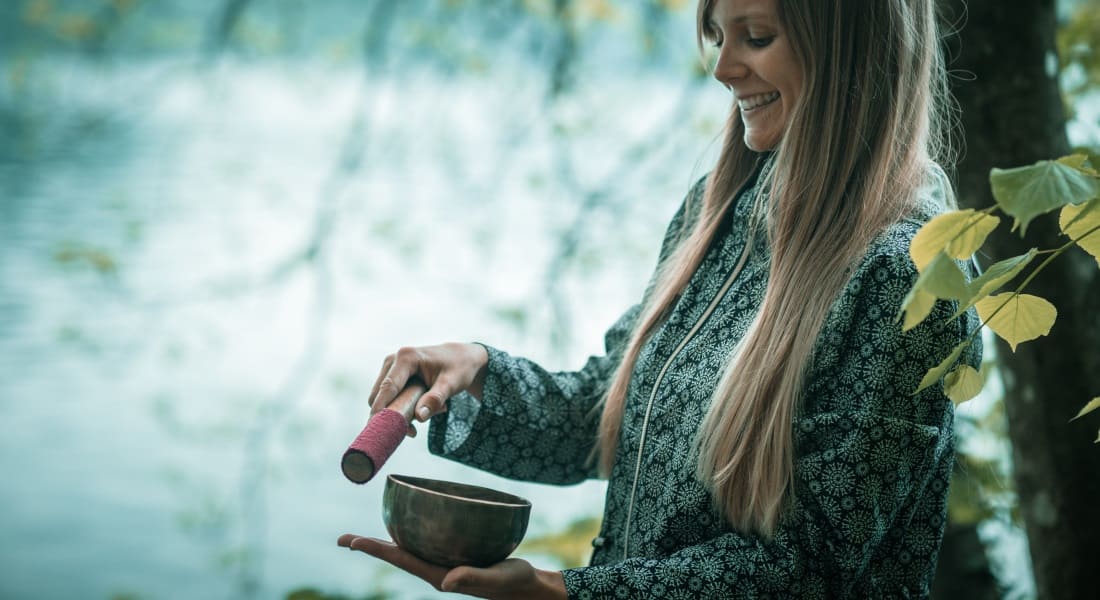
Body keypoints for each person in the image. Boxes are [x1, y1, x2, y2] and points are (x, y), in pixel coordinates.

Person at [337, 0, 982, 597]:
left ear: (852, 45)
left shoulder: (914, 273)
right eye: (717, 37)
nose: (725, 69)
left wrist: (567, 591)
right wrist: (477, 373)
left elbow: (812, 566)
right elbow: (611, 416)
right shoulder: (719, 209)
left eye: (757, 37)